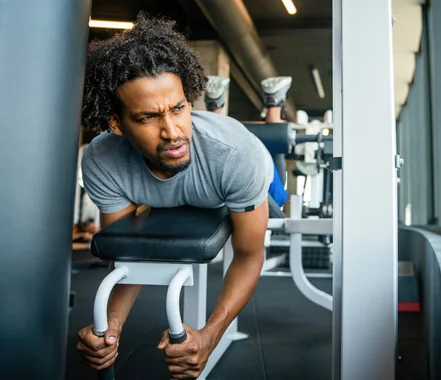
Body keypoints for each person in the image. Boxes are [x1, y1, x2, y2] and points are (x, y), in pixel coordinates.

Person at [76, 14, 272, 379]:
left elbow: (248, 254)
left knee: (266, 185)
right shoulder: (102, 161)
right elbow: (129, 254)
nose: (171, 132)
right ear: (116, 124)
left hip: (251, 166)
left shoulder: (235, 155)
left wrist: (210, 335)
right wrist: (110, 328)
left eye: (179, 108)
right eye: (148, 117)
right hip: (195, 183)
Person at [204, 75, 292, 214]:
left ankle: (273, 102)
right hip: (253, 166)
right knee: (277, 199)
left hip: (232, 164)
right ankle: (215, 104)